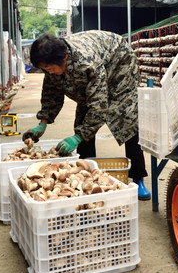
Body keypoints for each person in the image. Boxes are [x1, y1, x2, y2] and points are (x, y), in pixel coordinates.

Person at [22, 30, 150, 200]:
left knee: (127, 119)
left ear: (64, 58)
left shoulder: (87, 62)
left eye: (50, 68)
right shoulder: (53, 62)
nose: (49, 72)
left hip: (119, 64)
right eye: (45, 69)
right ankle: (86, 172)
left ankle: (138, 178)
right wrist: (43, 122)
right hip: (98, 60)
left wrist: (78, 136)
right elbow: (51, 92)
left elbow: (99, 104)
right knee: (83, 117)